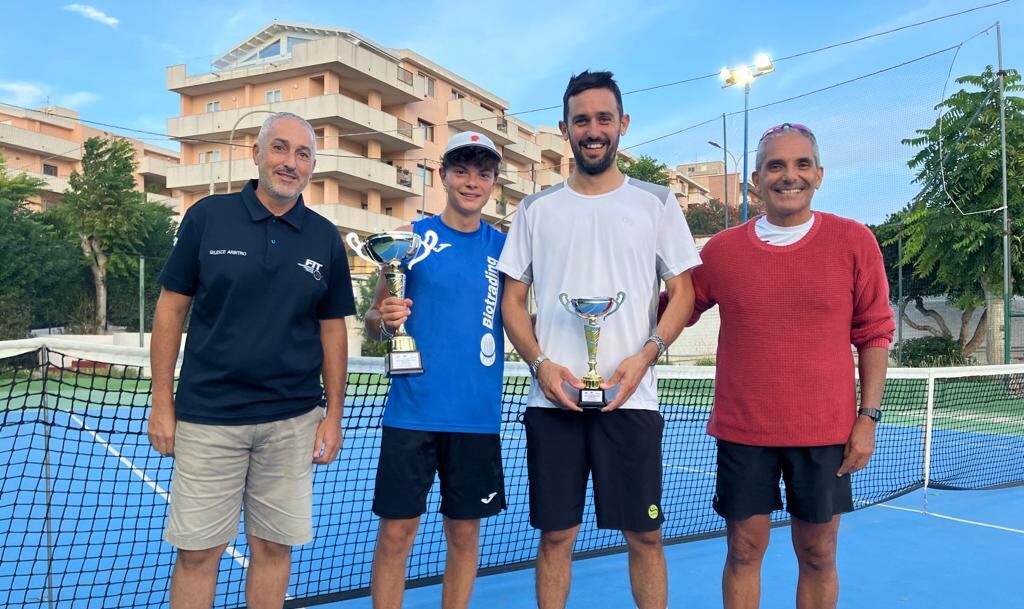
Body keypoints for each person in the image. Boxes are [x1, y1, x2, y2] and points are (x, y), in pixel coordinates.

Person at [498, 70, 701, 609]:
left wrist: (645, 356)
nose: (593, 129)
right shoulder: (534, 209)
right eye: (581, 119)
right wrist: (540, 364)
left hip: (631, 401)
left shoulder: (656, 203)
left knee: (646, 536)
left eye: (603, 118)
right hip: (553, 401)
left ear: (623, 125)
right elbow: (511, 302)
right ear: (565, 128)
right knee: (556, 537)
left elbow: (682, 291)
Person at [147, 112, 355, 609]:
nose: (291, 162)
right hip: (207, 419)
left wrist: (335, 416)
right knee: (198, 554)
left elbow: (333, 330)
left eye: (303, 154)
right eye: (280, 149)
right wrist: (162, 404)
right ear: (256, 153)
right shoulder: (206, 217)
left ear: (312, 166)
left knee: (274, 548)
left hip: (292, 421)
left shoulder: (324, 237)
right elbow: (171, 309)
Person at [686, 123, 895, 609]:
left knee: (818, 553)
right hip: (744, 432)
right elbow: (676, 305)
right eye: (775, 165)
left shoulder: (854, 241)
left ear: (819, 174)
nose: (789, 175)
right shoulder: (720, 251)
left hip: (825, 434)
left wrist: (869, 417)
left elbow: (874, 333)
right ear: (756, 179)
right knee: (742, 550)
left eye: (801, 164)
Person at [365, 131, 507, 609]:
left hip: (476, 418)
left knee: (464, 536)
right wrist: (383, 321)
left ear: (493, 184)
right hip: (411, 414)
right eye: (462, 171)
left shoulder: (507, 251)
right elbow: (372, 321)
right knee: (396, 535)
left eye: (483, 174)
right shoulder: (409, 241)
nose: (472, 182)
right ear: (443, 176)